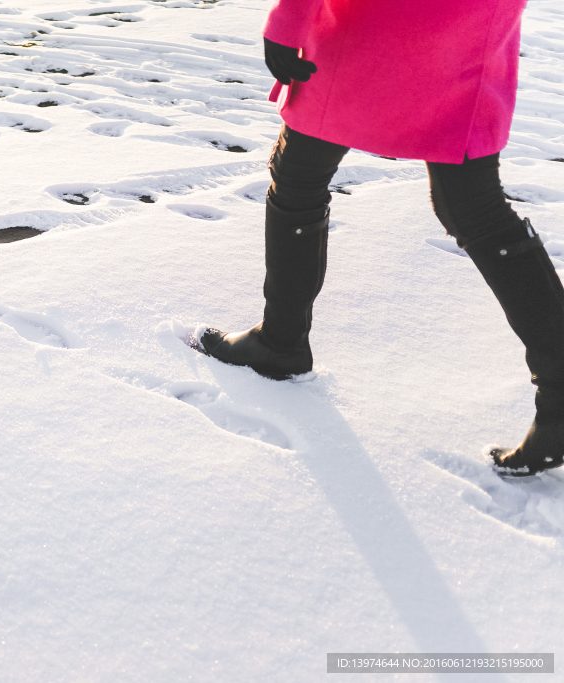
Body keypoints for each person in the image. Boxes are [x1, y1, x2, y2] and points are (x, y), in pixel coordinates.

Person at [195, 0, 564, 477]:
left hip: (371, 24)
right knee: (474, 210)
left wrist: (290, 17)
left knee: (300, 177)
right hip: (466, 29)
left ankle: (280, 343)